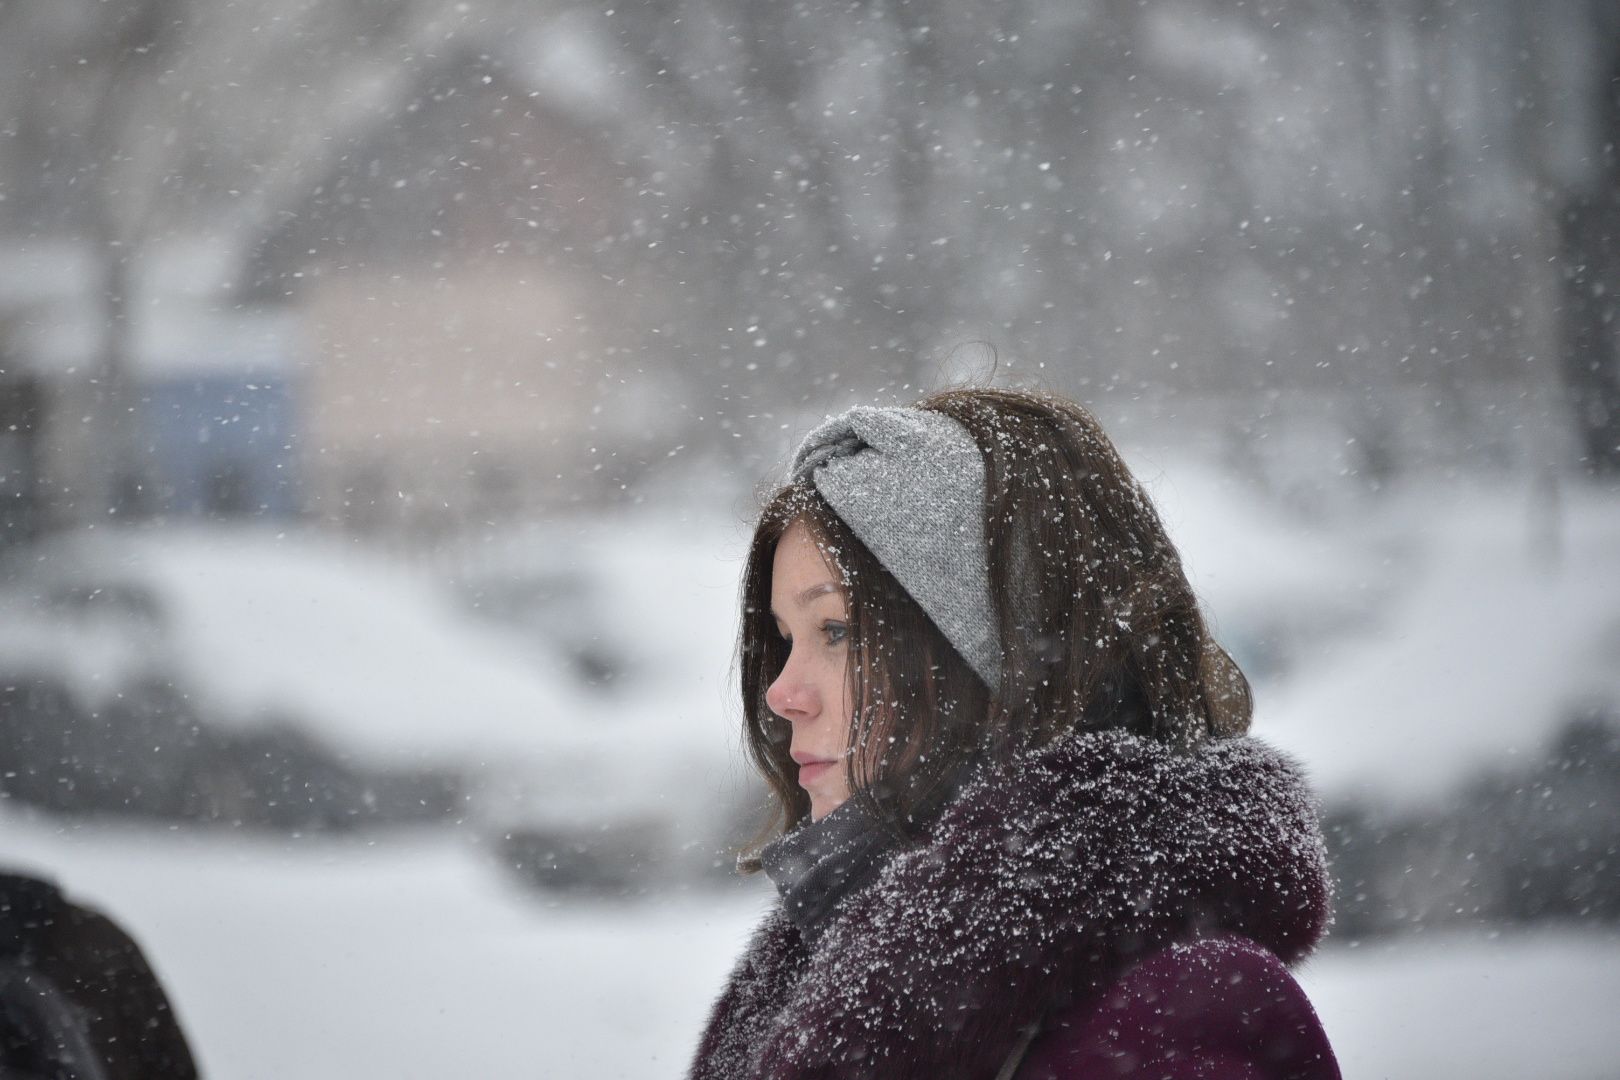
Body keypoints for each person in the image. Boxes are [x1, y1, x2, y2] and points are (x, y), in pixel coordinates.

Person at [687, 386, 1340, 1080]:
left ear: (1002, 660)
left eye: (839, 630)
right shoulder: (823, 980)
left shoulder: (1176, 1018)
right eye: (785, 640)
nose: (782, 693)